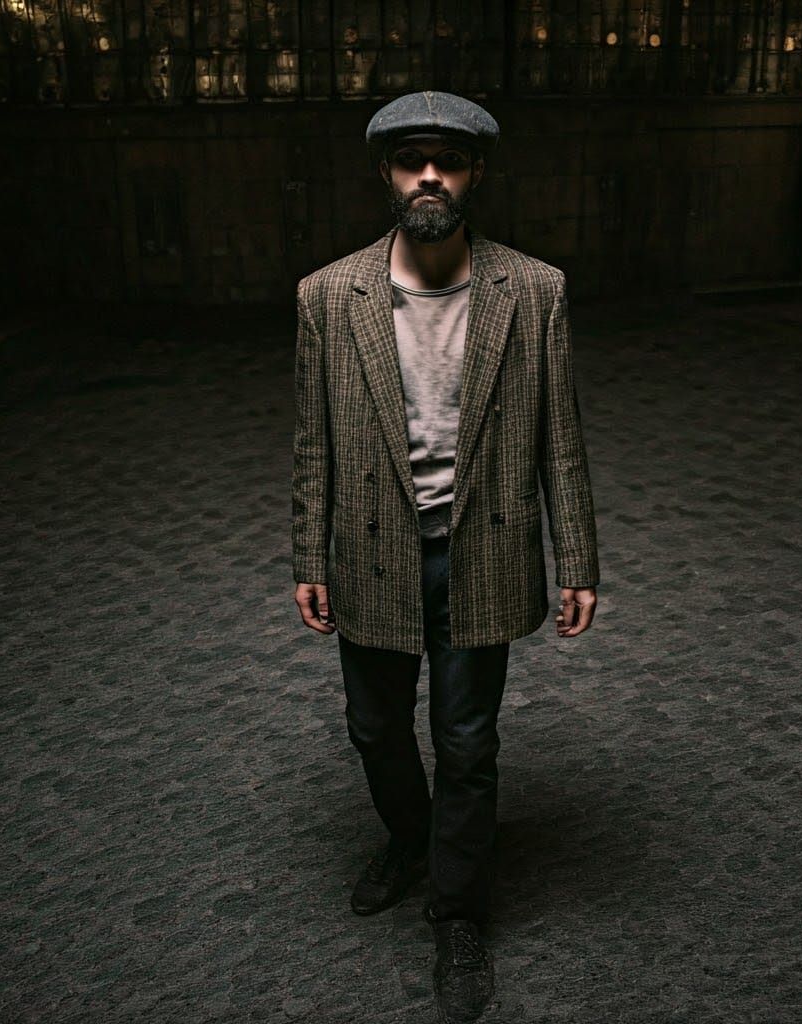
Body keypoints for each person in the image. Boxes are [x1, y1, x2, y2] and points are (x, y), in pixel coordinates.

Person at [292, 90, 599, 1024]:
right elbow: (314, 441)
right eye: (411, 159)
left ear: (475, 175)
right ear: (386, 174)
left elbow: (560, 436)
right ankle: (410, 838)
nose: (431, 175)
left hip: (486, 548)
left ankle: (458, 911)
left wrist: (577, 554)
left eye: (450, 160)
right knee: (376, 729)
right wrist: (308, 548)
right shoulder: (326, 295)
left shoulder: (533, 289)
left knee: (468, 743)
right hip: (372, 549)